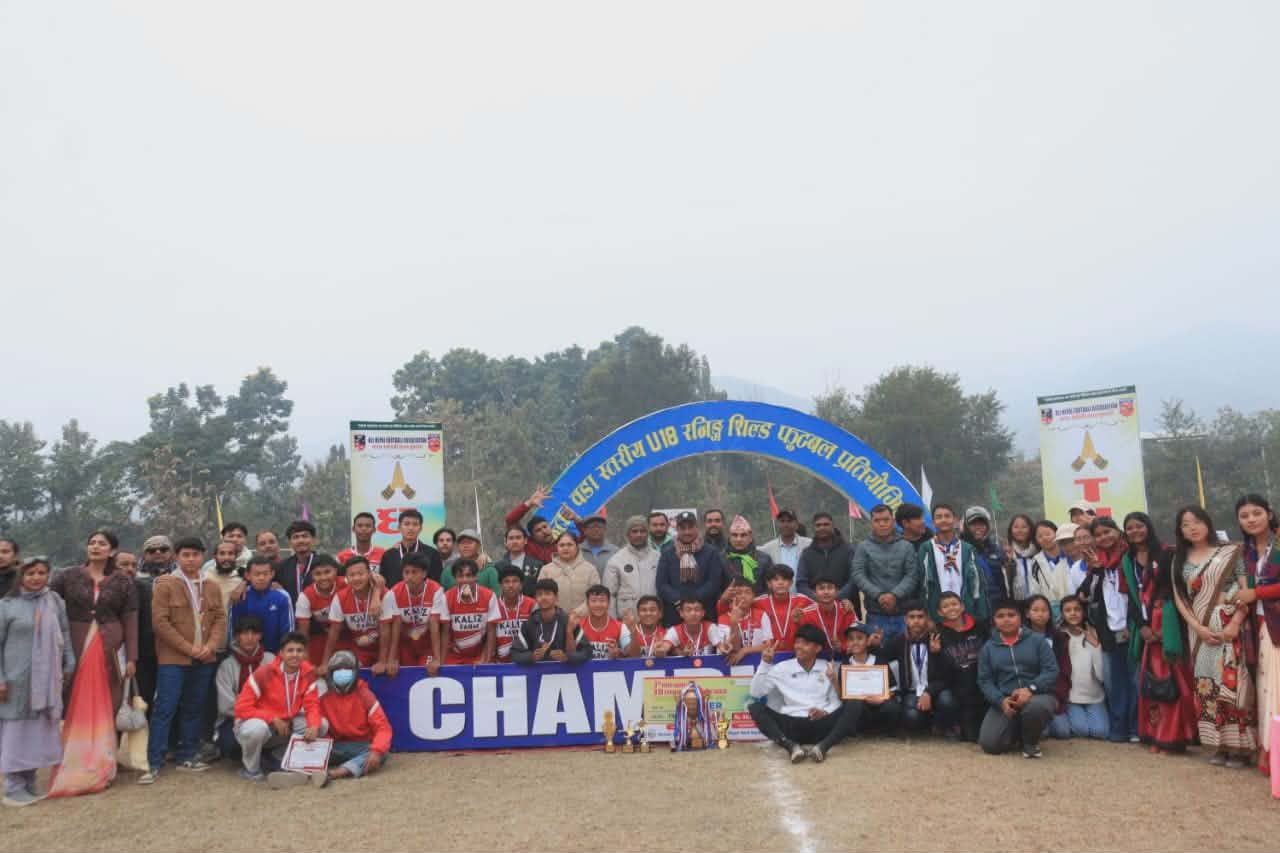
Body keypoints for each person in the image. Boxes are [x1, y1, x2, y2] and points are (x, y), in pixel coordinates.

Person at [1170, 505, 1256, 768]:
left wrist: (1236, 622)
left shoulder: (1230, 552)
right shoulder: (1179, 559)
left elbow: (1245, 590)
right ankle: (1219, 744)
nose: (1192, 528)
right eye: (1186, 524)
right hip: (1199, 632)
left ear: (1207, 523)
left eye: (1197, 521)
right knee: (1206, 686)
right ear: (1180, 531)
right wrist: (1198, 628)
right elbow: (1180, 599)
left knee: (1232, 685)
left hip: (1229, 627)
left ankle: (1240, 748)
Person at [144, 536, 227, 783]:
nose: (191, 560)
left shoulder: (211, 585)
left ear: (203, 557)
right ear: (176, 557)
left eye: (195, 555)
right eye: (185, 555)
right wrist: (189, 649)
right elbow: (160, 623)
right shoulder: (165, 584)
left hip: (205, 657)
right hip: (173, 658)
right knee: (165, 708)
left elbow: (220, 619)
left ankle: (187, 755)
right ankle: (154, 760)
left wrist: (210, 646)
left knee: (194, 707)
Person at [0, 557, 76, 806]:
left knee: (38, 732)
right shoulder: (7, 605)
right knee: (16, 732)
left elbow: (64, 631)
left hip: (46, 682)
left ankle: (30, 781)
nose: (36, 578)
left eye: (41, 573)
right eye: (30, 573)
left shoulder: (54, 601)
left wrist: (70, 659)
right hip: (16, 681)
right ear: (20, 576)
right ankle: (13, 787)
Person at [1124, 513, 1195, 754]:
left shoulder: (1167, 553)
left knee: (1172, 682)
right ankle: (1155, 736)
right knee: (1152, 684)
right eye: (1129, 528)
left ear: (1148, 527)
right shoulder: (1128, 559)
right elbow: (1131, 597)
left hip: (1168, 622)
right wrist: (1143, 626)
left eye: (1139, 526)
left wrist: (1165, 629)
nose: (1135, 531)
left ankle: (1173, 737)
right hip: (1146, 627)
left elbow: (1177, 590)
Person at [49, 530, 138, 716]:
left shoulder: (123, 580)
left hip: (111, 645)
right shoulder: (68, 575)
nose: (95, 547)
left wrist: (131, 657)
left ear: (112, 551)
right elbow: (48, 600)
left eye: (102, 544)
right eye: (92, 543)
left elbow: (130, 620)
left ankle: (104, 732)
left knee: (109, 689)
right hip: (75, 642)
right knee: (72, 685)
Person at [748, 624, 863, 762]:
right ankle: (790, 746)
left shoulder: (828, 667)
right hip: (791, 725)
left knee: (855, 703)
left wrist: (825, 712)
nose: (799, 646)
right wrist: (765, 663)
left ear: (818, 648)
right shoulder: (781, 668)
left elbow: (835, 701)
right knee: (754, 707)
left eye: (805, 643)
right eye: (797, 642)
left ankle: (823, 747)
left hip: (822, 724)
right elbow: (756, 693)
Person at [1231, 494, 1280, 772]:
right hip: (1256, 626)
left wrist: (1257, 593)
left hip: (1276, 625)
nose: (1251, 519)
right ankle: (1268, 749)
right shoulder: (1244, 552)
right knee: (1264, 688)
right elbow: (1242, 588)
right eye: (1244, 516)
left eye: (1256, 513)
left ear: (1269, 514)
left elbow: (1253, 591)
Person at [232, 632, 321, 783]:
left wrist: (314, 725)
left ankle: (280, 758)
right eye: (290, 650)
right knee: (257, 729)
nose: (295, 655)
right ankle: (251, 770)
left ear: (305, 654)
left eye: (299, 650)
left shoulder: (308, 673)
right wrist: (272, 718)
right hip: (255, 724)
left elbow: (312, 705)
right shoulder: (264, 673)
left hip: (285, 725)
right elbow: (241, 708)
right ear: (281, 653)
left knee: (321, 725)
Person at [1077, 516, 1136, 743]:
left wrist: (1136, 623)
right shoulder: (1095, 562)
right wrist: (1096, 570)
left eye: (1107, 532)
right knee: (1114, 682)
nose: (1103, 537)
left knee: (1135, 680)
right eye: (1098, 534)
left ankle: (1136, 727)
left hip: (1133, 627)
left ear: (1117, 531)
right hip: (1108, 629)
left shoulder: (1131, 556)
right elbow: (1085, 595)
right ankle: (1119, 728)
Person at [976, 598, 1059, 758]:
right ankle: (1019, 731)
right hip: (1007, 700)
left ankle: (1030, 743)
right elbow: (984, 681)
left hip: (1037, 695)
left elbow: (1051, 670)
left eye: (1011, 615)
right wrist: (1000, 701)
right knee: (990, 745)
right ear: (994, 621)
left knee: (1035, 708)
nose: (1006, 619)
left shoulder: (1037, 641)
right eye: (1000, 616)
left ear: (1020, 618)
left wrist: (1030, 689)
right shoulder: (988, 648)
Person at [311, 651, 391, 787]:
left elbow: (383, 728)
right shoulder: (324, 699)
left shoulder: (365, 695)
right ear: (330, 674)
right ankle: (299, 772)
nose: (342, 673)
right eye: (338, 670)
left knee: (381, 753)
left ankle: (335, 773)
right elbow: (321, 729)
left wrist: (376, 751)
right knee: (301, 751)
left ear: (355, 673)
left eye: (347, 669)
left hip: (360, 746)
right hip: (333, 747)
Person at [850, 504, 920, 640]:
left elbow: (912, 575)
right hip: (875, 615)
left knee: (905, 652)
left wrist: (894, 595)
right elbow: (858, 574)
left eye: (886, 520)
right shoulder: (863, 547)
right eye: (877, 520)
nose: (882, 524)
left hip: (903, 614)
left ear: (893, 522)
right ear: (871, 523)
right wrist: (879, 595)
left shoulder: (906, 546)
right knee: (878, 652)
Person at [878, 601, 946, 733]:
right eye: (912, 617)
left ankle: (940, 723)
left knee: (947, 701)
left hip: (935, 689)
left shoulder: (936, 638)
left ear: (927, 618)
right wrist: (874, 646)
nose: (916, 621)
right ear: (905, 620)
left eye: (920, 617)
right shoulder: (899, 641)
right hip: (912, 691)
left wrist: (938, 653)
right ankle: (926, 721)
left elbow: (946, 674)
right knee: (911, 718)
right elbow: (881, 658)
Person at [213, 616, 274, 762]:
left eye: (254, 633)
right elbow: (225, 706)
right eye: (245, 633)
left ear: (260, 636)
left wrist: (269, 716)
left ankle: (268, 754)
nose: (250, 638)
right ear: (237, 636)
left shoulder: (271, 660)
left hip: (270, 717)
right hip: (235, 718)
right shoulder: (227, 665)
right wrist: (255, 715)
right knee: (230, 745)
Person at [1047, 595, 1107, 740]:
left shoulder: (1093, 632)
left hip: (1094, 695)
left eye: (1077, 609)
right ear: (1062, 614)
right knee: (1081, 730)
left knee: (1100, 732)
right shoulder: (1059, 636)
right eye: (1068, 610)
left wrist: (1096, 646)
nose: (1073, 613)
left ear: (1083, 612)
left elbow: (1101, 674)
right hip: (1071, 697)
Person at [921, 504, 992, 625]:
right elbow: (924, 584)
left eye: (947, 516)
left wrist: (980, 612)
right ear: (933, 522)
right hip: (939, 612)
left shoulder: (968, 549)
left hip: (966, 610)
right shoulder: (927, 548)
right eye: (939, 517)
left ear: (955, 520)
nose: (943, 520)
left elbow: (977, 583)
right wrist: (928, 615)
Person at [935, 591, 990, 742]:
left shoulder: (979, 625)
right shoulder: (937, 632)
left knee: (980, 735)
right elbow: (937, 670)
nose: (951, 608)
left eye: (954, 604)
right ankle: (951, 724)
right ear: (939, 612)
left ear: (962, 606)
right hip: (956, 687)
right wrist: (935, 653)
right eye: (946, 606)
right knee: (970, 736)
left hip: (980, 684)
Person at [656, 512, 725, 625]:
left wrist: (694, 601)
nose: (687, 532)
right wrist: (680, 601)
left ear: (697, 528)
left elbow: (714, 582)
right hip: (675, 613)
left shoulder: (711, 552)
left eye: (690, 527)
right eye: (683, 528)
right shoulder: (667, 553)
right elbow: (661, 584)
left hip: (704, 612)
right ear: (677, 529)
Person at [324, 557, 391, 671]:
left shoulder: (385, 594)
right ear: (346, 577)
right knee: (350, 672)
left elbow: (386, 629)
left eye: (360, 574)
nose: (356, 578)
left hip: (384, 648)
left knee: (389, 671)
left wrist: (382, 661)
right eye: (351, 575)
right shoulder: (340, 597)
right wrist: (325, 663)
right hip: (360, 650)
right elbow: (334, 631)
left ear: (369, 574)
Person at [382, 553, 445, 673]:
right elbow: (395, 627)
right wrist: (391, 658)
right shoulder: (393, 593)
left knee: (426, 672)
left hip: (427, 646)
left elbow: (434, 625)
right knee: (401, 674)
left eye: (414, 572)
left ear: (424, 573)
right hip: (405, 646)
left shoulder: (436, 590)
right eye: (406, 572)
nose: (409, 577)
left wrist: (437, 659)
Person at [509, 579, 591, 665]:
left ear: (556, 597)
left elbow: (587, 652)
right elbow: (515, 654)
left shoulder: (568, 621)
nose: (543, 597)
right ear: (535, 598)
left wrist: (567, 657)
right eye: (540, 594)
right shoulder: (529, 623)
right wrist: (531, 657)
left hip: (564, 672)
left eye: (548, 593)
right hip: (537, 672)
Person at [842, 622, 903, 735]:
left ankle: (884, 729)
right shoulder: (845, 665)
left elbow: (893, 689)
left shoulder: (880, 661)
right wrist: (833, 680)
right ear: (847, 643)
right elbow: (843, 694)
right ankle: (861, 729)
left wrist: (882, 699)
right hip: (861, 708)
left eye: (859, 638)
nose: (855, 642)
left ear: (867, 641)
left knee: (892, 707)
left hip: (879, 705)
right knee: (851, 706)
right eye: (851, 639)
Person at [437, 559, 499, 666]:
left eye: (469, 575)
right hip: (455, 654)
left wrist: (486, 660)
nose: (465, 580)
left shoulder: (489, 596)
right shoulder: (446, 597)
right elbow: (445, 633)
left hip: (480, 653)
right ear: (455, 578)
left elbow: (491, 631)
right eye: (460, 576)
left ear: (476, 577)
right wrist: (442, 664)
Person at [230, 555, 294, 654]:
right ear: (248, 575)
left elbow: (288, 631)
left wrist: (283, 655)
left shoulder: (282, 597)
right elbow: (233, 629)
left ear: (272, 574)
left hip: (275, 655)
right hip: (245, 655)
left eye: (265, 574)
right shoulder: (240, 596)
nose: (261, 578)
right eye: (257, 574)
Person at [602, 516, 658, 618]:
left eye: (642, 531)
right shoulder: (616, 560)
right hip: (626, 619)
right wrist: (613, 620)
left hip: (652, 617)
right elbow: (609, 594)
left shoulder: (658, 558)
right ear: (627, 534)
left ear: (648, 533)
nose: (639, 534)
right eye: (634, 531)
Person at [796, 513, 855, 606]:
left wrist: (837, 596)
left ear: (833, 526)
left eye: (826, 524)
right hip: (815, 607)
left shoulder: (848, 550)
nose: (822, 528)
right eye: (818, 525)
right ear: (813, 528)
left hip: (846, 606)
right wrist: (818, 597)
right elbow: (801, 583)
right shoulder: (806, 554)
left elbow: (854, 579)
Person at [295, 556, 345, 667]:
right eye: (318, 574)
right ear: (312, 575)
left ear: (335, 571)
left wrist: (376, 594)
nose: (323, 578)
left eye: (327, 572)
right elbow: (304, 633)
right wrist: (306, 664)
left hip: (349, 636)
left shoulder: (347, 583)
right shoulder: (305, 596)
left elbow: (375, 580)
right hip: (324, 637)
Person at [540, 532, 602, 615]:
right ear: (556, 547)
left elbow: (595, 596)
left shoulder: (590, 569)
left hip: (584, 618)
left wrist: (577, 613)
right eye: (562, 545)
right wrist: (557, 614)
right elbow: (541, 596)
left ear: (577, 546)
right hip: (554, 618)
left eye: (570, 545)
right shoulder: (546, 570)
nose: (565, 548)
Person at [754, 564, 812, 651]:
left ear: (791, 583)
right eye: (776, 579)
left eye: (784, 579)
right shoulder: (758, 602)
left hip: (797, 652)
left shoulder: (803, 600)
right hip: (769, 653)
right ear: (769, 584)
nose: (780, 583)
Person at [378, 510, 444, 586]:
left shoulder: (432, 554)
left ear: (420, 528)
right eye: (406, 524)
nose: (410, 528)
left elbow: (436, 584)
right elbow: (384, 585)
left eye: (415, 524)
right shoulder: (389, 555)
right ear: (399, 527)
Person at [505, 486, 567, 564]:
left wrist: (576, 519)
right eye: (538, 530)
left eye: (545, 527)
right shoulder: (529, 546)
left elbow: (581, 535)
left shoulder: (564, 544)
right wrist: (529, 503)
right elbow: (510, 520)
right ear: (532, 536)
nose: (544, 531)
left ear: (550, 527)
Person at [717, 578, 773, 664]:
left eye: (747, 592)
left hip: (758, 663)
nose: (743, 596)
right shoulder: (723, 619)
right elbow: (734, 650)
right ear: (732, 597)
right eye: (739, 593)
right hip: (733, 665)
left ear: (753, 596)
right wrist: (734, 623)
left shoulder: (761, 615)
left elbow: (768, 645)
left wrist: (745, 650)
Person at [797, 579, 857, 659]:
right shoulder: (806, 614)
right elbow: (802, 643)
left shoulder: (847, 610)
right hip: (817, 659)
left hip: (845, 657)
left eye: (830, 588)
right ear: (814, 592)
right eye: (821, 588)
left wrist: (843, 646)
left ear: (837, 591)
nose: (826, 592)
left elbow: (856, 639)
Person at [961, 506, 1008, 607]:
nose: (978, 527)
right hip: (972, 606)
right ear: (965, 526)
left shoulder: (996, 549)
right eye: (973, 524)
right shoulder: (959, 550)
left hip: (997, 604)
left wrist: (1010, 562)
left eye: (982, 524)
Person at [273, 520, 326, 603]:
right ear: (290, 543)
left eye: (305, 536)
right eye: (296, 537)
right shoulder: (281, 567)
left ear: (313, 540)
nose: (300, 540)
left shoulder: (325, 563)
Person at [660, 598, 733, 657]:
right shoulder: (674, 631)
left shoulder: (710, 627)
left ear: (703, 613)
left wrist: (724, 648)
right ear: (681, 613)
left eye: (697, 610)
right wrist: (659, 651)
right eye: (688, 610)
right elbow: (663, 649)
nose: (693, 613)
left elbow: (721, 646)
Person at [576, 585, 631, 660]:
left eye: (602, 601)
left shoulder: (620, 627)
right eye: (593, 601)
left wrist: (618, 654)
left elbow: (631, 654)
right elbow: (570, 653)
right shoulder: (579, 626)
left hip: (611, 667)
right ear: (587, 604)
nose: (598, 605)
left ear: (609, 603)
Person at [722, 516, 774, 594]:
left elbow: (771, 587)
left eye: (743, 535)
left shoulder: (764, 559)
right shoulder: (720, 559)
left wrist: (753, 598)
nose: (738, 539)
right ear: (729, 538)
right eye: (734, 535)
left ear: (750, 538)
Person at [494, 566, 536, 663]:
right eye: (506, 581)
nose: (511, 585)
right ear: (500, 585)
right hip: (500, 664)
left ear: (521, 585)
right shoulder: (493, 605)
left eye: (515, 581)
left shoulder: (532, 604)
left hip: (526, 662)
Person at [1029, 521, 1070, 620]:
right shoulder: (1036, 562)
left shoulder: (1069, 556)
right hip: (1049, 612)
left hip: (1072, 608)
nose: (1044, 538)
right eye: (1040, 536)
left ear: (1056, 533)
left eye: (1048, 534)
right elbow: (1035, 590)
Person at [204, 540, 246, 635]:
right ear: (215, 556)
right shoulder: (205, 577)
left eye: (230, 554)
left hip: (233, 635)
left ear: (236, 556)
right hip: (209, 635)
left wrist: (245, 582)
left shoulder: (240, 580)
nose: (226, 557)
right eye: (222, 554)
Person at [493, 526, 544, 599]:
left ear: (525, 540)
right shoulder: (498, 566)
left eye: (518, 538)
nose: (514, 541)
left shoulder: (537, 565)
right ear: (505, 542)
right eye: (511, 538)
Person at [759, 509, 813, 576]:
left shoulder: (809, 544)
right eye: (782, 521)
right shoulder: (768, 548)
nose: (785, 525)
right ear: (777, 524)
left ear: (796, 524)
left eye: (789, 521)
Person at [1003, 514, 1040, 602]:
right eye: (1016, 527)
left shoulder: (1038, 551)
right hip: (1016, 601)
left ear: (1030, 529)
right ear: (1011, 530)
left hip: (1038, 600)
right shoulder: (1005, 552)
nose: (1020, 530)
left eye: (1024, 527)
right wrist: (1010, 561)